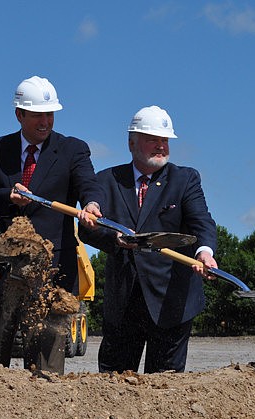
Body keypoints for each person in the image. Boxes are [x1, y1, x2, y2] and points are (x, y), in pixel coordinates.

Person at [0, 75, 103, 375]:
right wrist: (8, 196)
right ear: (19, 114)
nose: (45, 121)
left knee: (46, 361)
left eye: (50, 114)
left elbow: (88, 184)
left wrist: (91, 204)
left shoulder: (73, 149)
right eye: (38, 115)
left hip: (52, 266)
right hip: (4, 262)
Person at [78, 105, 217, 373]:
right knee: (112, 385)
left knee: (164, 388)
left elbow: (202, 222)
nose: (160, 146)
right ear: (132, 142)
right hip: (123, 305)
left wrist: (205, 251)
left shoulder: (185, 179)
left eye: (164, 140)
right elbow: (87, 229)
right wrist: (114, 237)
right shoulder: (107, 180)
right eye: (153, 139)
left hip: (171, 303)